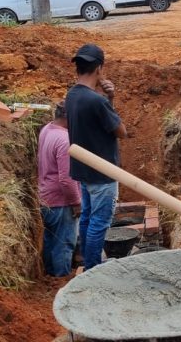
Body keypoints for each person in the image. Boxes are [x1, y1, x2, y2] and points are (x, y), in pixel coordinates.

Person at [65, 43, 127, 270]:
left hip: (84, 171)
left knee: (88, 219)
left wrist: (107, 98)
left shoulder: (71, 96)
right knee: (99, 223)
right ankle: (93, 268)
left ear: (77, 67)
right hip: (102, 173)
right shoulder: (96, 101)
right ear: (99, 68)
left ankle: (88, 262)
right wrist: (109, 99)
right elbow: (121, 131)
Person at [37, 102, 80, 276]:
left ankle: (49, 276)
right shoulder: (64, 140)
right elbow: (66, 179)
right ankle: (60, 280)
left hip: (46, 197)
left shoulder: (47, 129)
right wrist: (76, 202)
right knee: (63, 244)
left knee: (51, 241)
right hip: (61, 202)